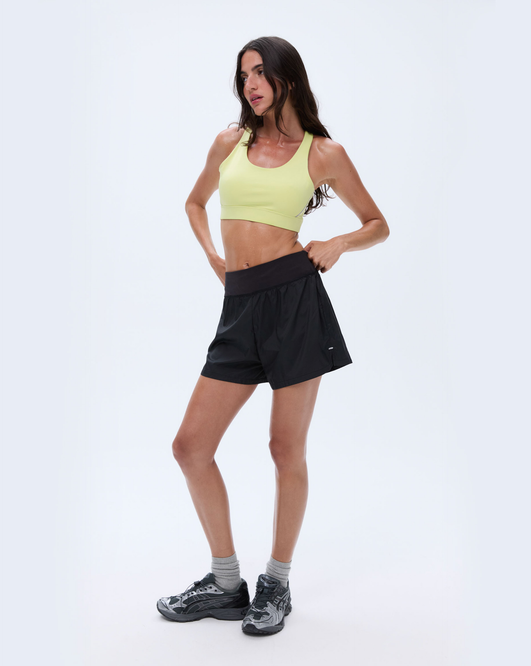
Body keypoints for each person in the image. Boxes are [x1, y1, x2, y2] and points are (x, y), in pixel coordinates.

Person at [157, 35, 389, 636]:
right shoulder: (229, 142)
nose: (250, 84)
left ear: (287, 77)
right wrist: (214, 258)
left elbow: (377, 224)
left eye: (260, 72)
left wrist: (338, 242)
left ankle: (277, 584)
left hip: (294, 303)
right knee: (190, 447)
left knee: (285, 449)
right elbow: (194, 204)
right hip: (239, 307)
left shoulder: (322, 153)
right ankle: (225, 583)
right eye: (243, 76)